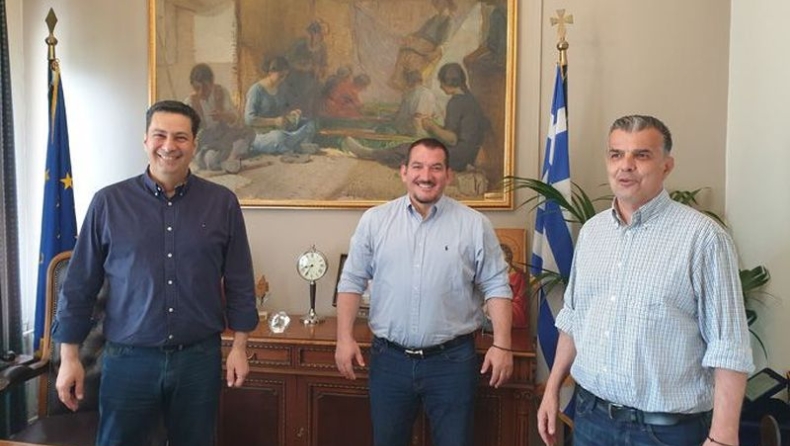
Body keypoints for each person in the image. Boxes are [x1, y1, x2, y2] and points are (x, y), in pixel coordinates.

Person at [537, 115, 754, 446]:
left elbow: (729, 345)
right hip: (591, 421)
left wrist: (723, 435)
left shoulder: (704, 238)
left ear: (666, 166)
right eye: (616, 154)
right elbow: (574, 318)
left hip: (665, 433)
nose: (626, 165)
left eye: (641, 155)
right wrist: (552, 389)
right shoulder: (593, 233)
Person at [52, 100, 259, 446]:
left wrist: (240, 346)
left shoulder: (222, 203)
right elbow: (78, 286)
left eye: (180, 137)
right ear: (145, 140)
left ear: (194, 144)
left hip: (198, 360)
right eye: (160, 135)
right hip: (128, 362)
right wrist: (69, 357)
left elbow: (239, 279)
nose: (169, 146)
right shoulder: (109, 203)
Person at [334, 137, 514, 446]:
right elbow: (351, 281)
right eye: (417, 166)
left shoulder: (474, 225)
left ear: (449, 175)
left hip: (452, 363)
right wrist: (343, 338)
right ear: (404, 172)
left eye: (436, 168)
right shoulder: (375, 221)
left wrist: (502, 345)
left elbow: (497, 284)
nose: (426, 176)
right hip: (389, 362)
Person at [344, 63, 488, 172]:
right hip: (466, 154)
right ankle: (373, 153)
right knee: (413, 147)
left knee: (411, 150)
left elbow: (452, 139)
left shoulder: (456, 102)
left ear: (449, 82)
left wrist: (431, 126)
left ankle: (370, 154)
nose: (440, 87)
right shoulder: (470, 100)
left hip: (456, 156)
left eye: (441, 83)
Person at [184, 63, 255, 174]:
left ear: (212, 82)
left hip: (225, 135)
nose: (201, 92)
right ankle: (225, 160)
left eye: (205, 88)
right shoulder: (190, 102)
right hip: (207, 141)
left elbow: (235, 118)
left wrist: (223, 115)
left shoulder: (221, 92)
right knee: (210, 159)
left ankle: (232, 157)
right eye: (197, 88)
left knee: (249, 133)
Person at [244, 56, 317, 156]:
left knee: (309, 124)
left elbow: (281, 111)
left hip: (281, 129)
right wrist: (274, 121)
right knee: (279, 137)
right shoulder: (256, 90)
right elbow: (249, 119)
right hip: (262, 135)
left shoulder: (281, 88)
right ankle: (297, 146)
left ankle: (296, 145)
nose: (283, 79)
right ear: (270, 72)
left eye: (285, 76)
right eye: (281, 76)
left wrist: (292, 114)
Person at [389, 0, 456, 91]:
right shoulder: (433, 19)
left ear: (446, 3)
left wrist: (436, 52)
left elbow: (445, 42)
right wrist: (410, 36)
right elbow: (420, 32)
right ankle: (398, 79)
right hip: (419, 45)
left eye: (440, 2)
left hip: (429, 48)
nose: (437, 4)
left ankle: (407, 84)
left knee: (411, 57)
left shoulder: (448, 21)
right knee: (404, 50)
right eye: (437, 2)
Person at [500, 244, 528, 328]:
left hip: (514, 314)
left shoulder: (519, 276)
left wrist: (503, 305)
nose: (503, 265)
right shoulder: (494, 276)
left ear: (510, 260)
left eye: (506, 261)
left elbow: (520, 300)